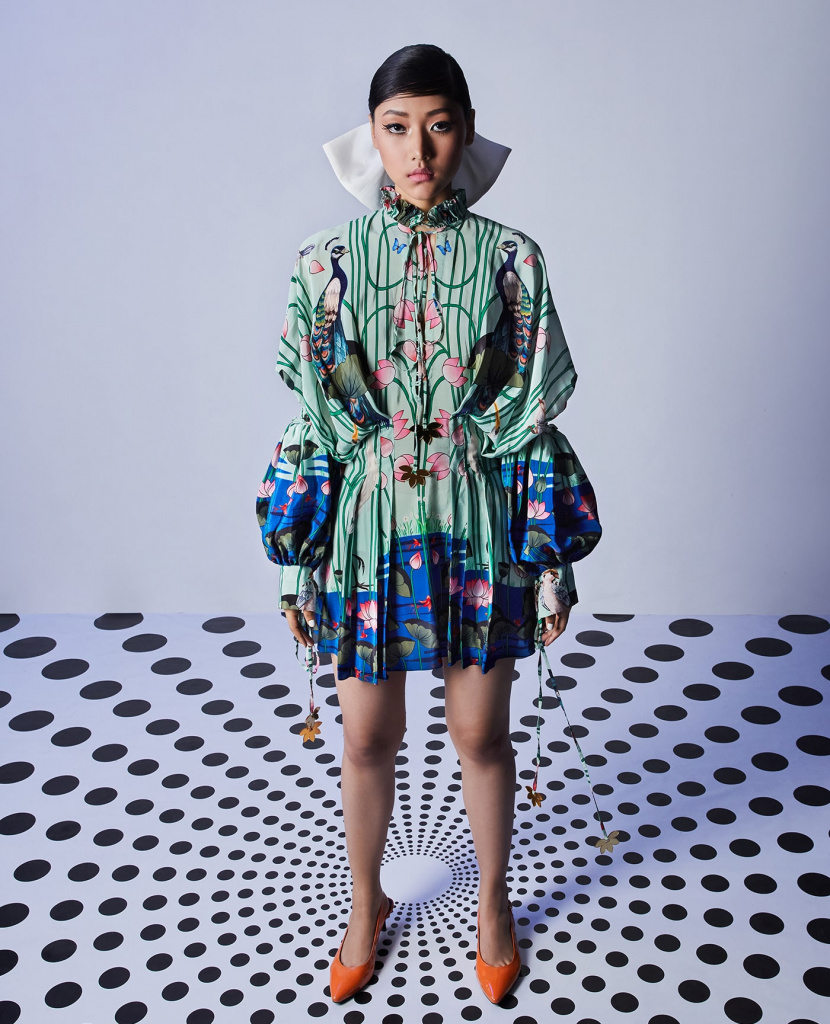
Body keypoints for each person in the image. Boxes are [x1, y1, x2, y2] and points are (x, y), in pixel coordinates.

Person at [256, 44, 601, 1004]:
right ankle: (364, 905)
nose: (419, 150)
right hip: (365, 523)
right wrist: (295, 563)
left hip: (479, 519)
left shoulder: (512, 258)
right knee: (367, 736)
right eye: (398, 127)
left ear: (465, 131)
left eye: (439, 125)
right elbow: (312, 420)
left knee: (480, 730)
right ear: (371, 137)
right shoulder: (323, 262)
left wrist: (551, 563)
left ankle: (493, 904)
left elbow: (532, 416)